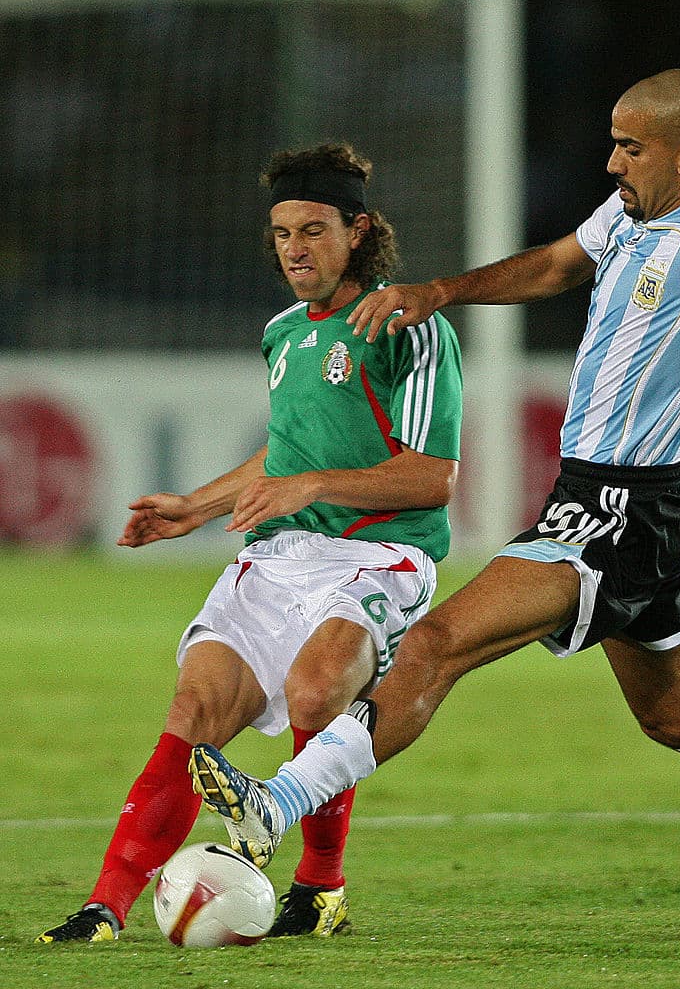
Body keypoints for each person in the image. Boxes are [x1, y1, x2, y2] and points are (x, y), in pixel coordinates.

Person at [190, 70, 680, 932]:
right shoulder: (630, 217)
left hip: (625, 508)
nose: (610, 162)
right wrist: (439, 291)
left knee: (438, 643)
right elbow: (558, 264)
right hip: (606, 498)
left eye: (629, 147)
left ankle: (275, 805)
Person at [36, 142, 463, 943]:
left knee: (315, 687)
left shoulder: (410, 327)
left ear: (358, 231)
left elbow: (432, 477)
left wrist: (312, 488)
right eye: (280, 235)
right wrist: (196, 508)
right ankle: (104, 907)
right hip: (277, 558)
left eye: (311, 230)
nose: (294, 250)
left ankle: (320, 885)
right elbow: (286, 454)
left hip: (379, 555)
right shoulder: (281, 334)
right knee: (193, 711)